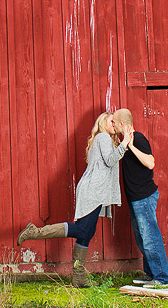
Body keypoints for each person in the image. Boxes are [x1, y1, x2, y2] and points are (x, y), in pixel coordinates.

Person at [16, 111, 132, 287]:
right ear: (102, 123)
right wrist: (124, 143)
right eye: (111, 121)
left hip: (94, 190)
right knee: (82, 231)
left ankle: (78, 278)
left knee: (86, 234)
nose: (114, 124)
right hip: (93, 191)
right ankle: (34, 232)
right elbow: (110, 161)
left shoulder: (102, 139)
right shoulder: (103, 138)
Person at [112, 107, 168, 287]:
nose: (113, 125)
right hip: (135, 199)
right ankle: (151, 274)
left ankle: (162, 278)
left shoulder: (138, 139)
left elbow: (150, 162)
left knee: (150, 237)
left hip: (144, 198)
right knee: (142, 238)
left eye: (114, 122)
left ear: (122, 124)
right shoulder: (124, 142)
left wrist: (131, 146)